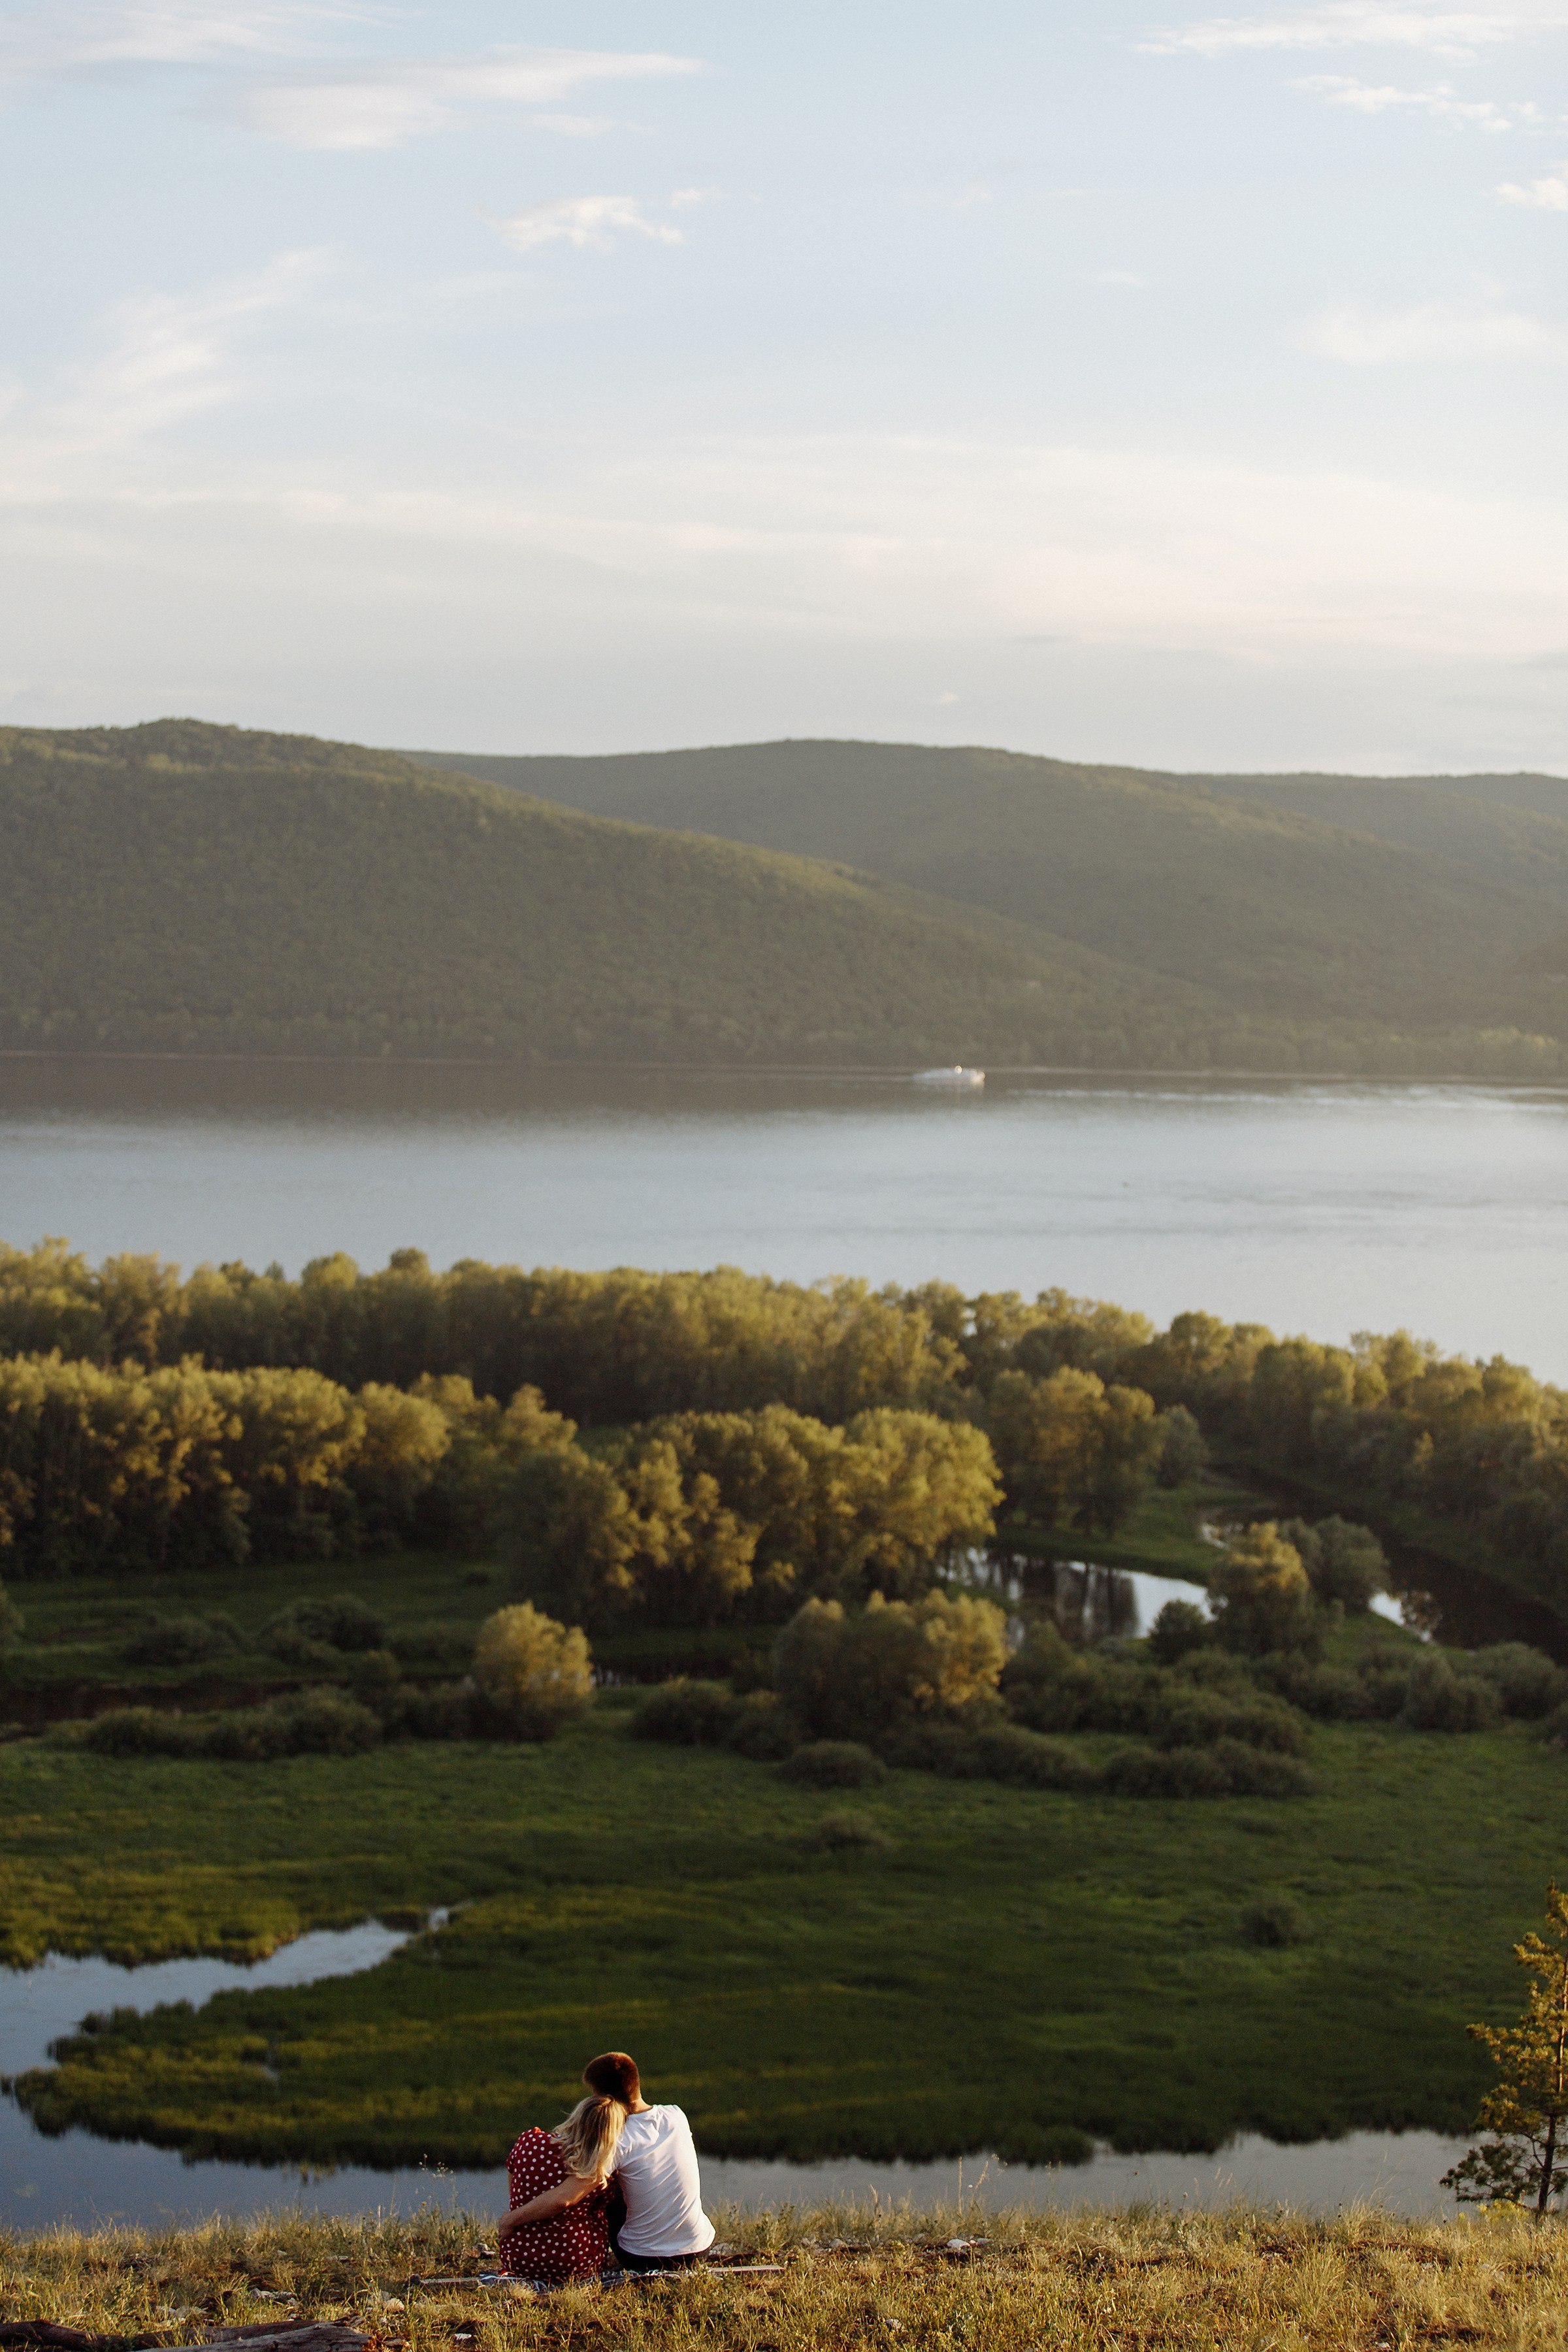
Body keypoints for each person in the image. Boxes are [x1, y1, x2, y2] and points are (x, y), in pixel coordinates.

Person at [581, 2050, 715, 2272]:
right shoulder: (676, 2116)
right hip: (699, 2250)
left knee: (608, 2192)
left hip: (643, 2258)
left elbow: (570, 2196)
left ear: (606, 2099)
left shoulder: (617, 2138)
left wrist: (518, 2217)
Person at [495, 2093, 625, 2286]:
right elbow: (562, 2200)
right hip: (573, 2264)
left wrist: (515, 2217)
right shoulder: (595, 2168)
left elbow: (514, 2185)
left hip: (517, 2258)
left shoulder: (529, 2141)